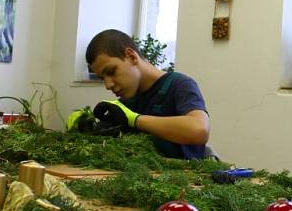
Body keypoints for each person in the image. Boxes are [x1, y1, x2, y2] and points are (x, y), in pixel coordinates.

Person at [75, 29, 210, 159]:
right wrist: (88, 127)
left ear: (131, 56)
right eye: (102, 78)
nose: (108, 85)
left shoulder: (179, 85)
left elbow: (199, 130)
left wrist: (135, 120)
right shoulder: (126, 102)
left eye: (111, 72)